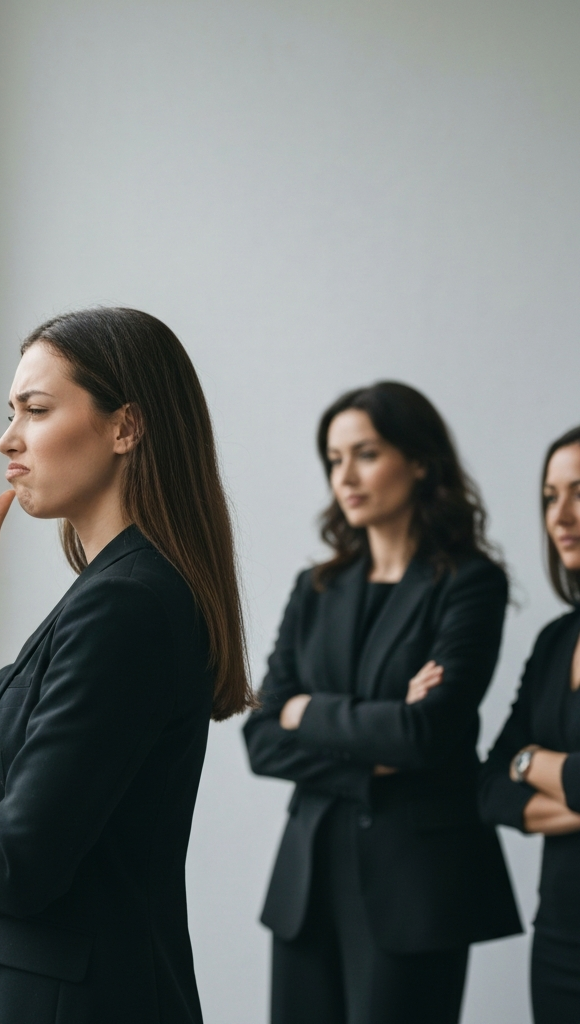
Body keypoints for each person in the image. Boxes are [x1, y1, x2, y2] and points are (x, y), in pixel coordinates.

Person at [0, 307, 252, 1024]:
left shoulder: (127, 606)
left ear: (125, 427)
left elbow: (15, 867)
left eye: (37, 410)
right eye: (11, 411)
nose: (10, 439)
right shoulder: (106, 592)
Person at [243, 381, 521, 1024]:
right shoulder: (316, 588)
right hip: (308, 886)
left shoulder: (470, 583)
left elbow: (426, 735)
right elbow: (261, 740)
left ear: (419, 461)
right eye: (335, 460)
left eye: (365, 454)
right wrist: (371, 750)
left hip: (418, 886)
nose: (346, 476)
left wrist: (305, 712)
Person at [479, 425, 580, 1023]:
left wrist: (534, 766)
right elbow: (490, 785)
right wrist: (524, 763)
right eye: (549, 496)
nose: (561, 514)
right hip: (560, 940)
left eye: (579, 492)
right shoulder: (554, 642)